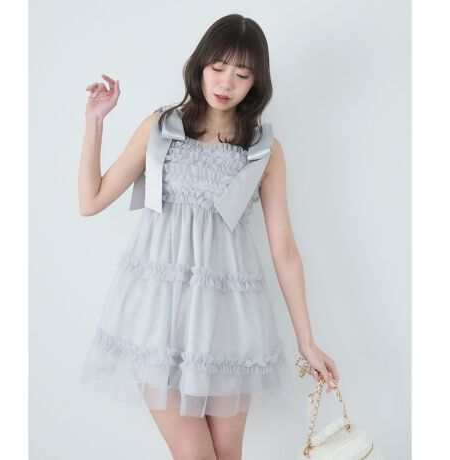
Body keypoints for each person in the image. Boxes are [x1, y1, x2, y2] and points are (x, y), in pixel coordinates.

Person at [78, 13, 340, 460]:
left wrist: (307, 341)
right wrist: (95, 121)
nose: (226, 82)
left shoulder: (263, 149)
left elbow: (284, 250)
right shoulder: (161, 128)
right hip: (159, 320)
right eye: (218, 67)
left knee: (227, 455)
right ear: (200, 65)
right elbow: (91, 200)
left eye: (242, 74)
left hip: (226, 323)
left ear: (256, 83)